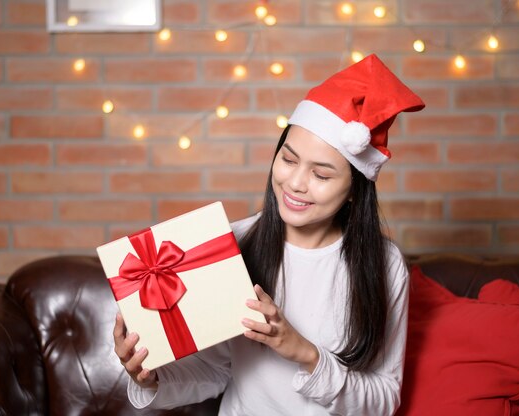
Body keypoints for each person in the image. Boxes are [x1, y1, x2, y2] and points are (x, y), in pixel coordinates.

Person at [113, 54, 425, 415]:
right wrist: (149, 377)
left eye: (321, 175)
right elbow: (216, 370)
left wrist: (304, 353)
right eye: (288, 160)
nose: (294, 183)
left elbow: (384, 400)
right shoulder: (234, 242)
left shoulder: (384, 265)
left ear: (355, 188)